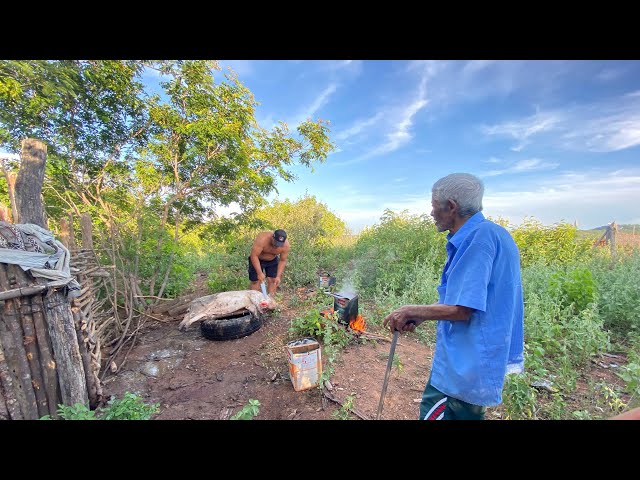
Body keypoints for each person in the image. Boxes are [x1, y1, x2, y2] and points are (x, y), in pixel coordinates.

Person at [383, 173, 524, 420]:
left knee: (436, 412)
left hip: (465, 365)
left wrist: (411, 310)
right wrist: (424, 317)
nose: (431, 213)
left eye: (433, 206)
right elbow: (464, 300)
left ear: (451, 206)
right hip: (475, 360)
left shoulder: (478, 239)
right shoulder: (494, 233)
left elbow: (462, 309)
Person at [248, 229, 290, 296]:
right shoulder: (262, 239)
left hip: (272, 260)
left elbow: (282, 260)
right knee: (255, 281)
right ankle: (253, 300)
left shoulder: (286, 246)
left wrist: (278, 276)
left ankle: (270, 300)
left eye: (279, 244)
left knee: (273, 280)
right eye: (275, 243)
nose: (276, 246)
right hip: (257, 259)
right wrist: (259, 273)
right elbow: (254, 255)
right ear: (272, 237)